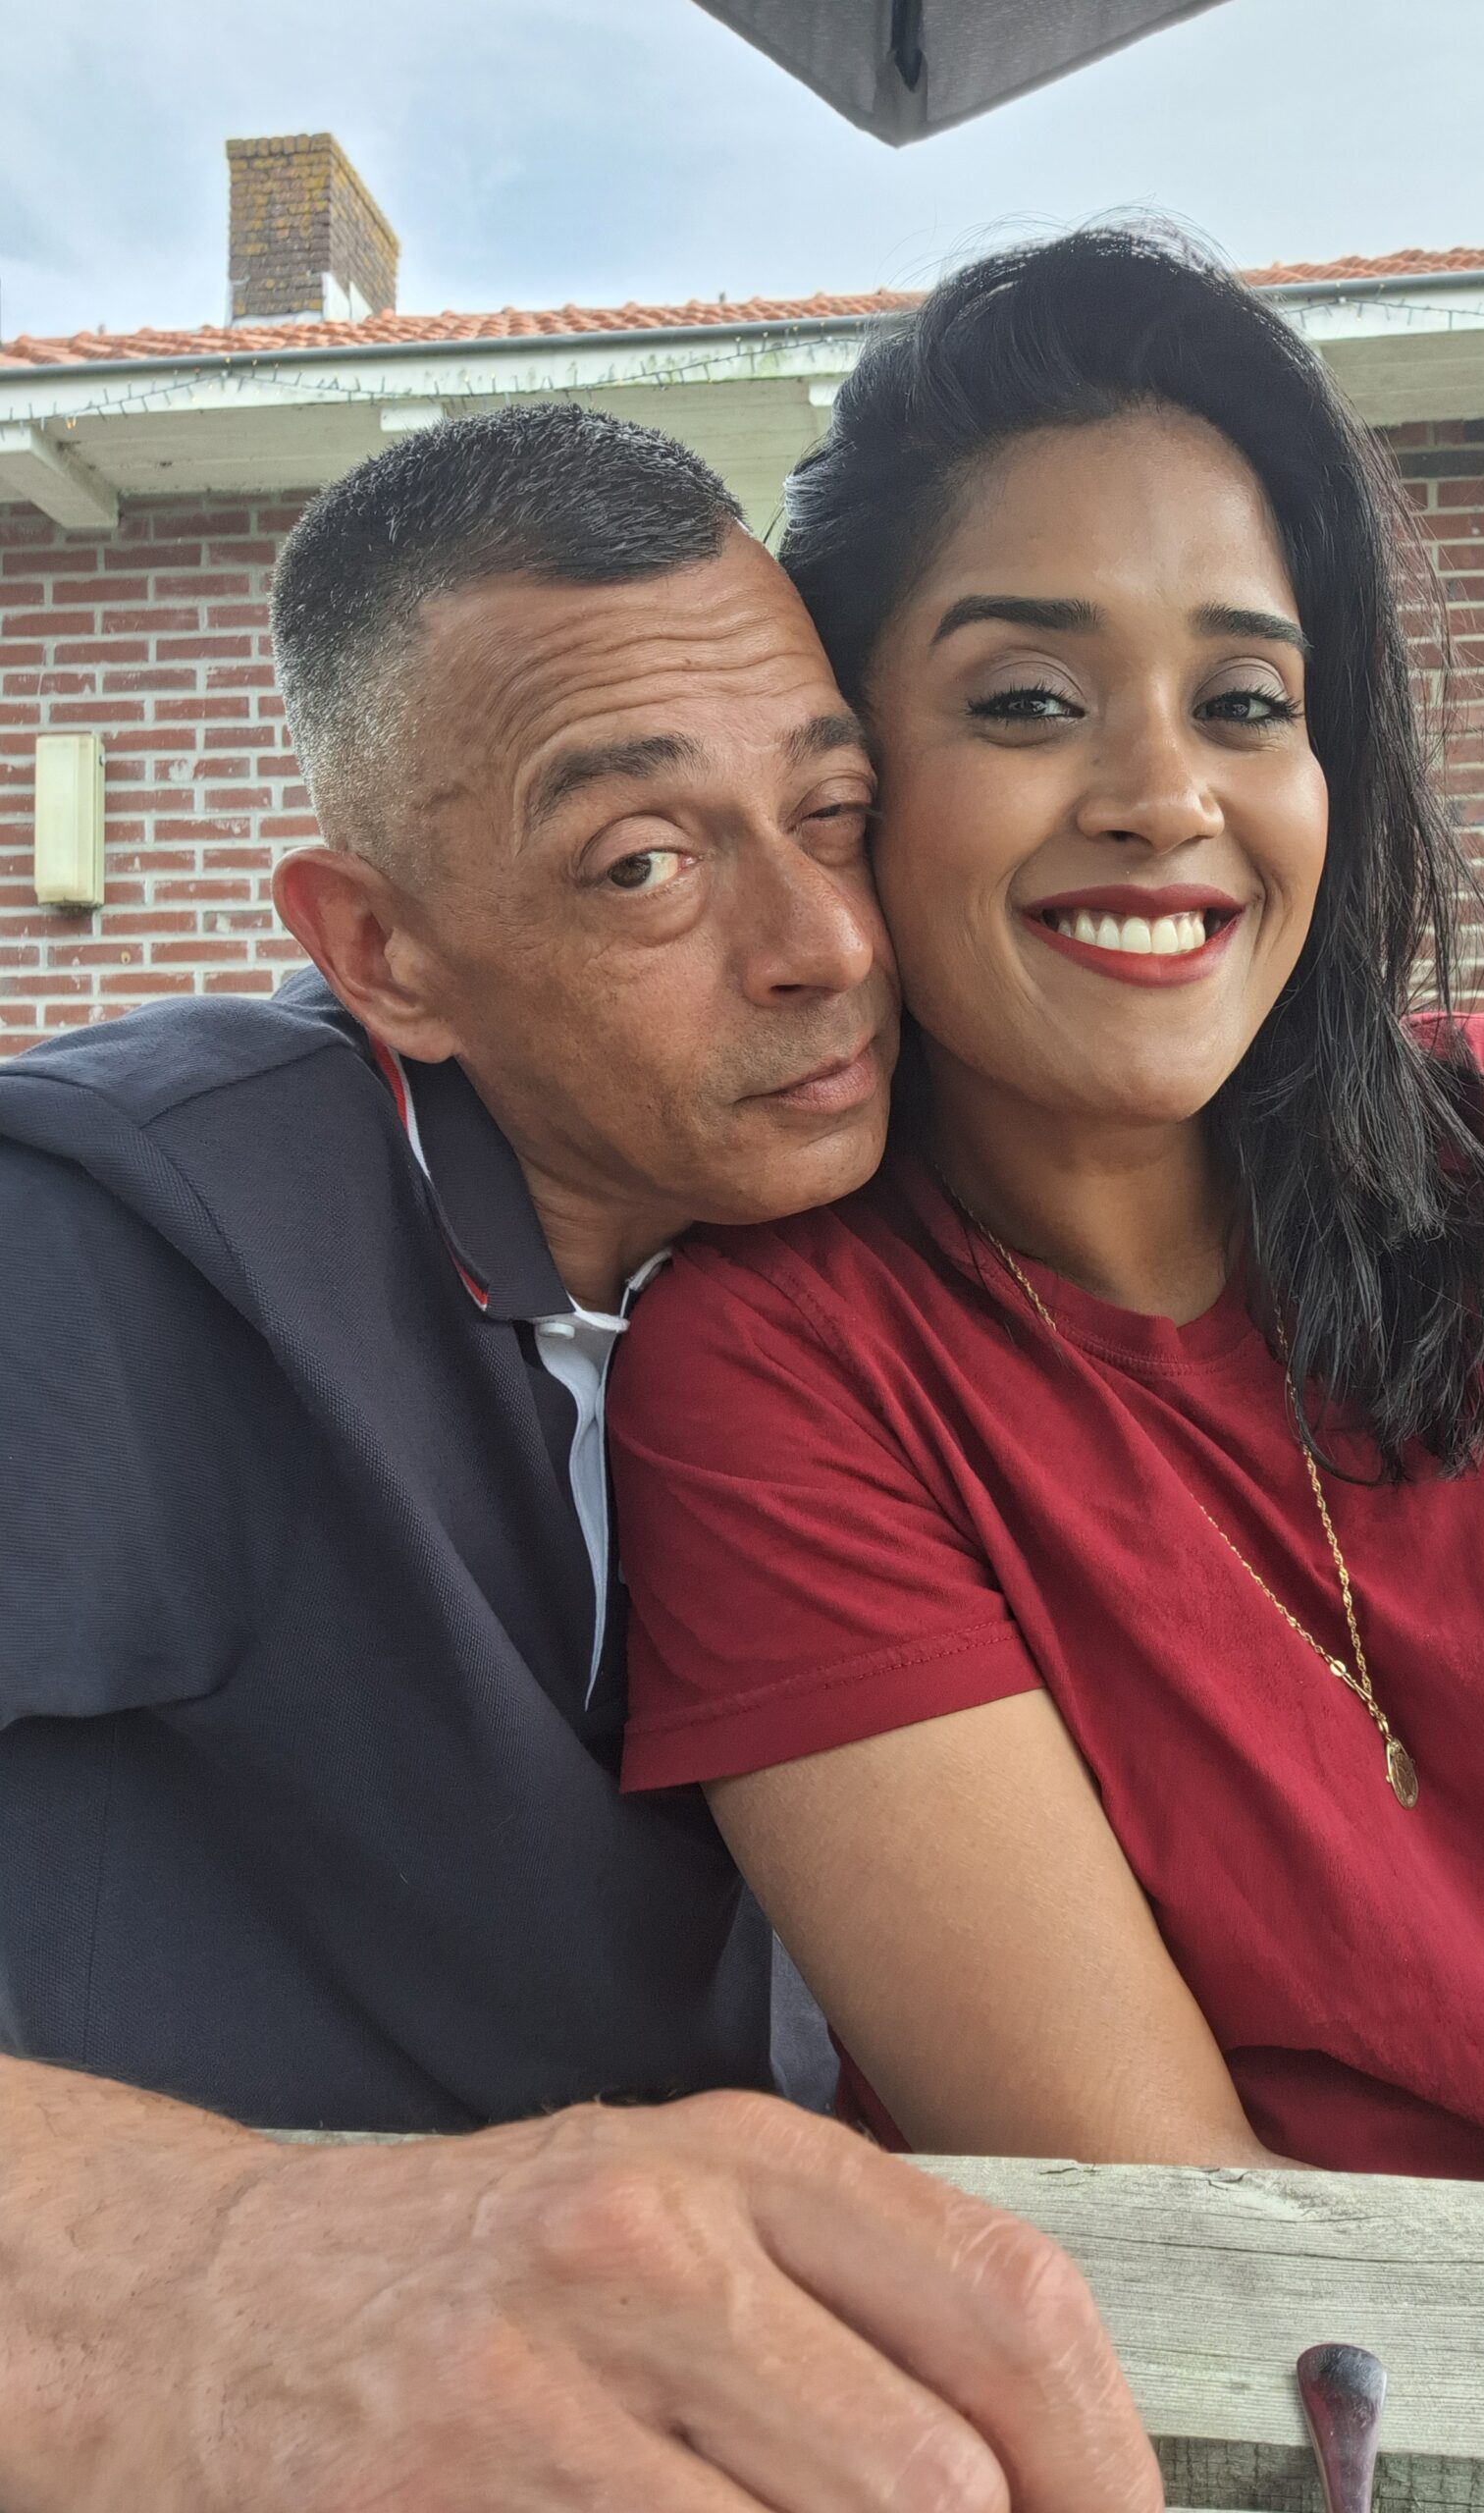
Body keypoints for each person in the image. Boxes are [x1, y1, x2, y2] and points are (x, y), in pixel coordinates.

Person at [611, 228, 1484, 2199]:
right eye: (1031, 699)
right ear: (856, 787)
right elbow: (1181, 2217)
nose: (1165, 794)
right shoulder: (782, 1374)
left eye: (1244, 699)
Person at [0, 403, 1160, 2513]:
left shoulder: (906, 1232)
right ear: (384, 954)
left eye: (832, 813)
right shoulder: (97, 1247)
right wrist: (226, 2277)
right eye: (643, 863)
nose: (827, 944)